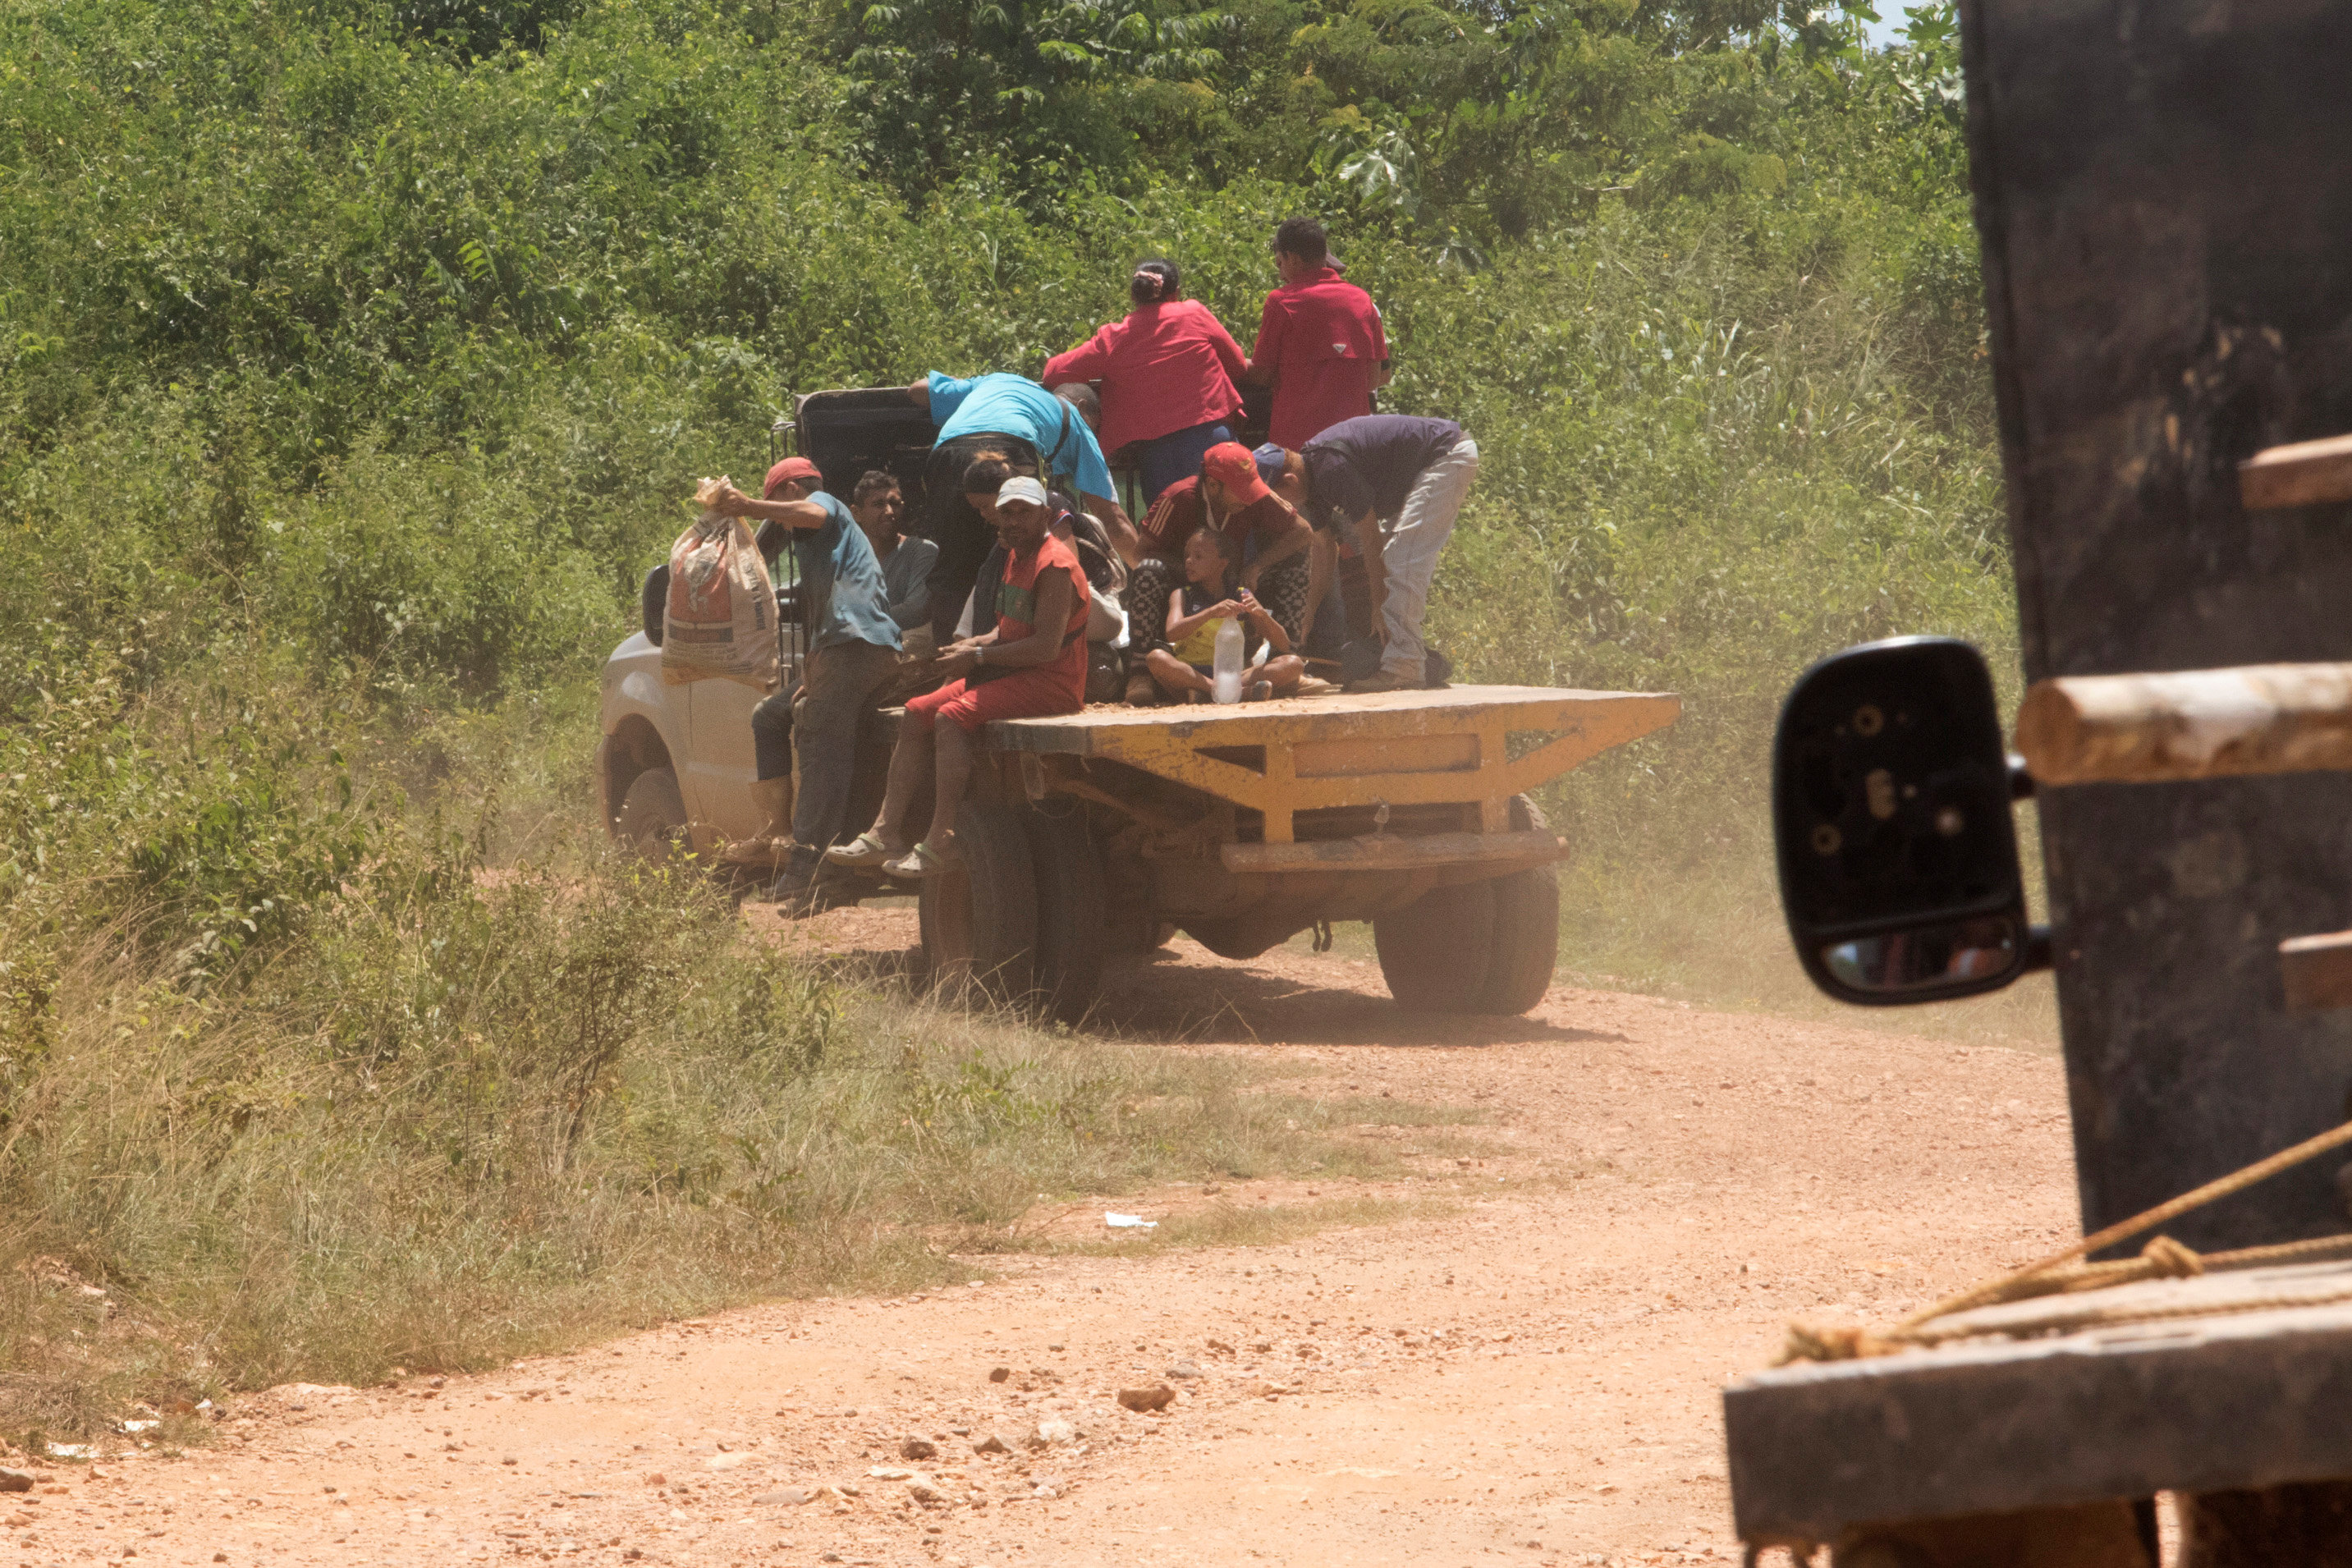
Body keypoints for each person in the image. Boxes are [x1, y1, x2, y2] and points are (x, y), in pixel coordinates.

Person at [826, 477, 1090, 880]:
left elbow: (1044, 649)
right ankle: (884, 834)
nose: (1014, 521)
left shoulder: (1054, 566)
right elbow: (1009, 629)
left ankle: (941, 838)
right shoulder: (1014, 556)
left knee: (952, 716)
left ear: (1046, 516)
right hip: (1013, 671)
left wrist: (979, 655)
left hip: (1052, 681)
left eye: (1025, 512)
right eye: (1008, 512)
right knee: (916, 711)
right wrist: (969, 648)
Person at [704, 457, 905, 907]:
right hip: (838, 650)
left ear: (790, 490)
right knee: (769, 716)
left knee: (820, 751)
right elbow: (760, 560)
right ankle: (775, 832)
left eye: (775, 499)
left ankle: (804, 870)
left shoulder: (823, 503)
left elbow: (811, 512)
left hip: (857, 646)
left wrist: (750, 506)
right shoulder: (815, 539)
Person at [908, 371, 1138, 645]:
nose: (1093, 435)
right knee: (1019, 554)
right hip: (1013, 448)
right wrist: (1151, 573)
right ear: (1082, 408)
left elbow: (917, 390)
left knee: (954, 562)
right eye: (1095, 427)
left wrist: (967, 384)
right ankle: (1007, 655)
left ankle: (950, 655)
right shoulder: (1074, 419)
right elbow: (1113, 520)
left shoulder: (993, 382)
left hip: (945, 456)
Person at [1257, 414, 1479, 694]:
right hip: (1424, 465)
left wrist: (1377, 604)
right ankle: (1408, 657)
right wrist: (1309, 612)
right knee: (1396, 557)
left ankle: (1405, 667)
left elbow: (1371, 540)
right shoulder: (1309, 487)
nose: (1281, 504)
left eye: (1278, 495)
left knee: (1402, 558)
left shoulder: (1329, 468)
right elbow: (1326, 550)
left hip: (1445, 453)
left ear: (1289, 480)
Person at [1041, 259, 1249, 506]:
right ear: (1177, 292)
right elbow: (1237, 365)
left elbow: (1052, 373)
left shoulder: (1113, 338)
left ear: (1133, 294)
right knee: (1233, 522)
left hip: (1158, 456)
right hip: (1213, 439)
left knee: (1168, 534)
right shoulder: (1194, 313)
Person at [1121, 442, 1315, 704]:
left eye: (1251, 488)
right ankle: (1141, 670)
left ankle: (1280, 665)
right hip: (1184, 582)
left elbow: (1302, 532)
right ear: (1213, 486)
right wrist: (1197, 569)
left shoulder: (1253, 497)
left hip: (1237, 582)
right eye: (1240, 492)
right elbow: (1140, 552)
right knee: (1148, 570)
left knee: (1296, 560)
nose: (1248, 498)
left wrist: (1257, 566)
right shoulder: (1178, 497)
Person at [1246, 218, 1391, 451]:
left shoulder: (1282, 302)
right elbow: (1374, 379)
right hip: (1352, 447)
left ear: (1291, 257)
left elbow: (1261, 375)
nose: (1281, 273)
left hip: (1298, 448)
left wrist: (1227, 360)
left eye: (1279, 262)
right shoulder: (1362, 301)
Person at [1143, 527, 1305, 704]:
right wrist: (1211, 612)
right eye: (1187, 556)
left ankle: (1205, 694)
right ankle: (1235, 694)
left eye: (1198, 556)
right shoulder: (1182, 594)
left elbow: (1284, 644)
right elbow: (1172, 632)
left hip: (1233, 675)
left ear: (1222, 563)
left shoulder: (1242, 595)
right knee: (1156, 658)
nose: (1189, 561)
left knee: (1293, 664)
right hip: (1191, 673)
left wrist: (1260, 614)